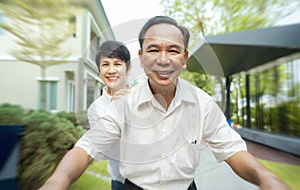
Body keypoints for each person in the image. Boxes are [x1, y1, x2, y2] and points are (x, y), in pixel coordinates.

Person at [40, 16, 290, 190]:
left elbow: (232, 150)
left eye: (173, 50)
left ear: (184, 58)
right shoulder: (123, 105)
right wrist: (57, 180)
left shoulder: (201, 103)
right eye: (153, 50)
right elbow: (86, 148)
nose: (163, 60)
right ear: (140, 57)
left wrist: (265, 177)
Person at [85, 40, 131, 189]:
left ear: (128, 68)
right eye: (105, 64)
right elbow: (103, 152)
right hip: (120, 182)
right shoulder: (95, 109)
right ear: (99, 71)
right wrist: (115, 108)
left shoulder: (143, 98)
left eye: (117, 64)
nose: (111, 70)